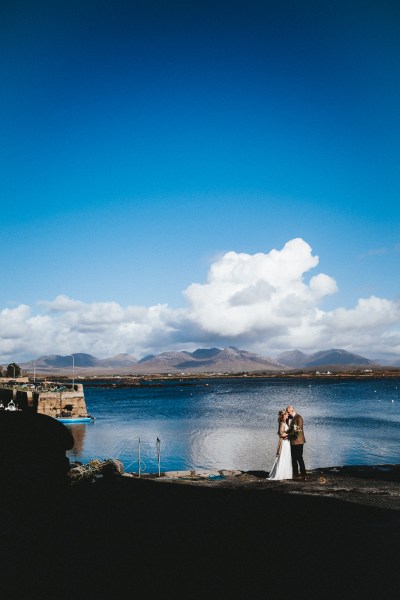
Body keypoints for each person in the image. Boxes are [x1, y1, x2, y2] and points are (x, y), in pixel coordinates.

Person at [267, 409, 293, 480]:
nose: (288, 415)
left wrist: (289, 433)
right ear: (284, 415)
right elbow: (281, 434)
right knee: (283, 456)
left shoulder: (285, 422)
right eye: (287, 414)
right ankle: (280, 473)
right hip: (284, 443)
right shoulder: (282, 423)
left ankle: (285, 474)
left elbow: (284, 433)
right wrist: (290, 433)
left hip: (287, 442)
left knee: (286, 456)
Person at [287, 405, 306, 480]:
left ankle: (303, 473)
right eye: (287, 412)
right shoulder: (289, 418)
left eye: (288, 412)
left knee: (299, 457)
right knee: (293, 458)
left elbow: (299, 428)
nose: (287, 413)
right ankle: (295, 473)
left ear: (292, 410)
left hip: (299, 441)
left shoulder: (299, 417)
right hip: (292, 441)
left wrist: (290, 432)